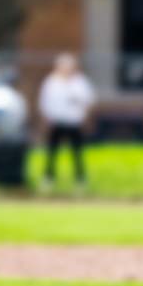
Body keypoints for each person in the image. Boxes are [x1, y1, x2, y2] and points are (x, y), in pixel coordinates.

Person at [38, 53, 95, 191]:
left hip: (74, 122)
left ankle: (80, 180)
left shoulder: (79, 82)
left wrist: (85, 118)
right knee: (52, 152)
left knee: (77, 153)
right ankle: (48, 179)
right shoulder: (51, 82)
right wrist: (46, 120)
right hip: (57, 122)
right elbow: (44, 102)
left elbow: (89, 101)